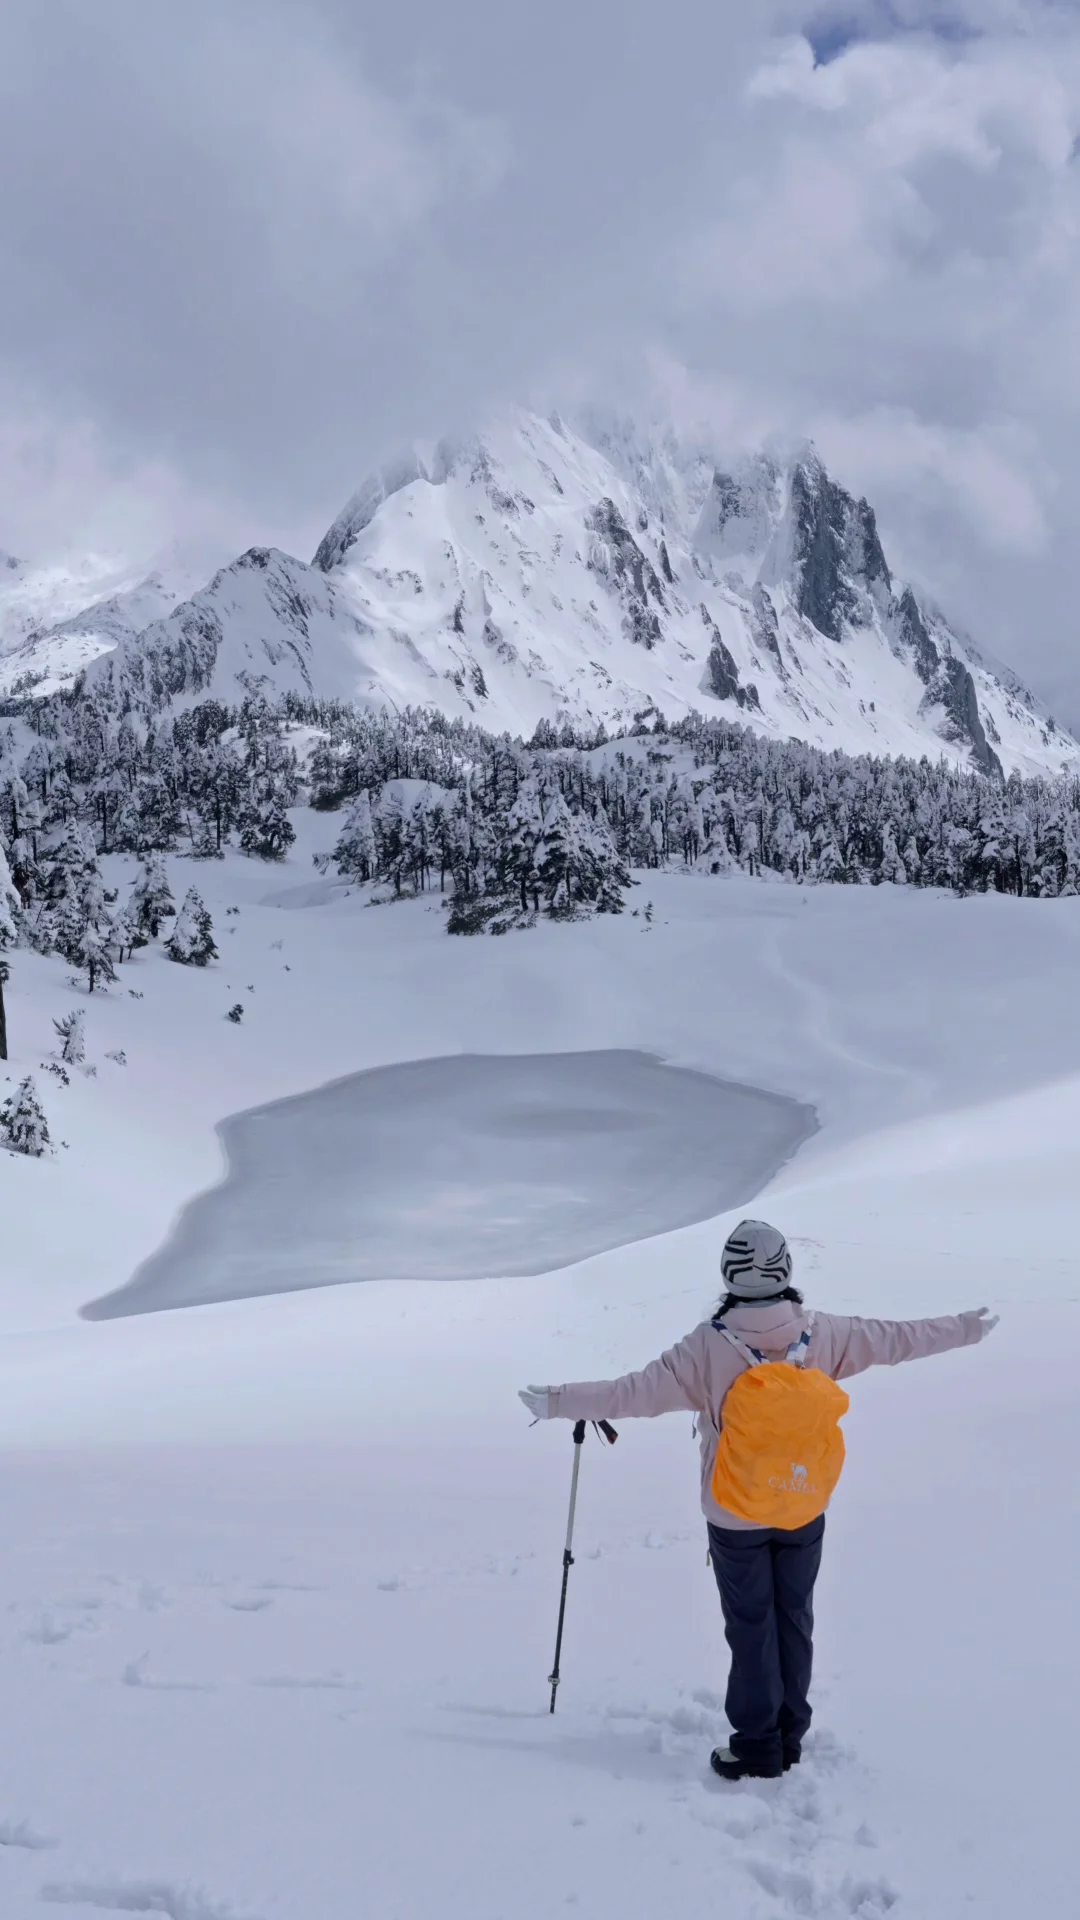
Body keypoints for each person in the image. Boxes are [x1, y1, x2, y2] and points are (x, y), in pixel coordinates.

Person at [519, 1218, 998, 1782]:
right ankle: (788, 1735)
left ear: (728, 1274)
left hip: (734, 1513)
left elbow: (631, 1393)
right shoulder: (826, 1334)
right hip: (802, 1504)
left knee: (751, 1624)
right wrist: (965, 1328)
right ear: (786, 1271)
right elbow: (898, 1338)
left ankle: (755, 1745)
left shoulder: (704, 1348)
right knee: (793, 1617)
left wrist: (558, 1401)